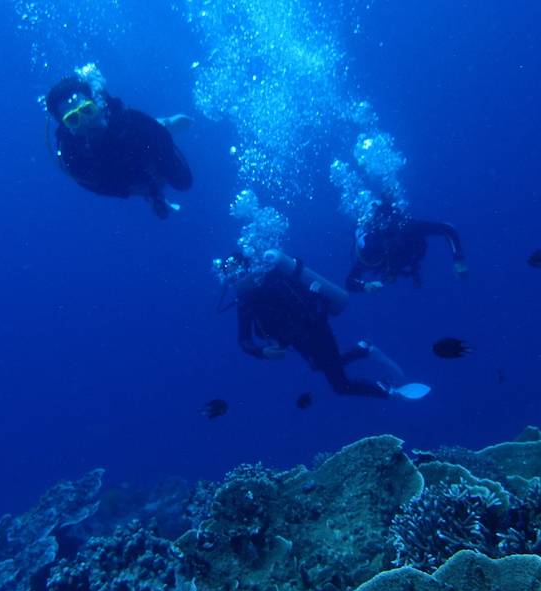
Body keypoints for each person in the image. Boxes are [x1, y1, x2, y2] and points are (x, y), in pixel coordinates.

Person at [217, 252, 429, 400]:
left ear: (248, 268)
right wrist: (261, 352)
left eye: (239, 273)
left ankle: (376, 370)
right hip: (297, 340)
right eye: (232, 278)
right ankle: (368, 357)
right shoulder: (245, 302)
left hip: (316, 328)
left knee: (338, 382)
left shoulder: (274, 280)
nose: (237, 280)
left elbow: (310, 300)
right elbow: (244, 340)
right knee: (329, 373)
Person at [45, 72, 193, 219]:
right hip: (123, 173)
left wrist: (161, 166)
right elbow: (97, 185)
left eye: (87, 110)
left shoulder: (126, 120)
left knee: (183, 182)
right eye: (73, 119)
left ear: (97, 104)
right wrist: (147, 192)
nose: (86, 121)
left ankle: (164, 123)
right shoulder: (73, 158)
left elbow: (160, 137)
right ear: (67, 128)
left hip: (143, 146)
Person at [346, 201, 467, 292]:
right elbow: (349, 282)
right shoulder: (370, 249)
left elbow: (448, 229)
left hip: (409, 249)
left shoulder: (407, 229)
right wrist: (366, 286)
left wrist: (458, 260)